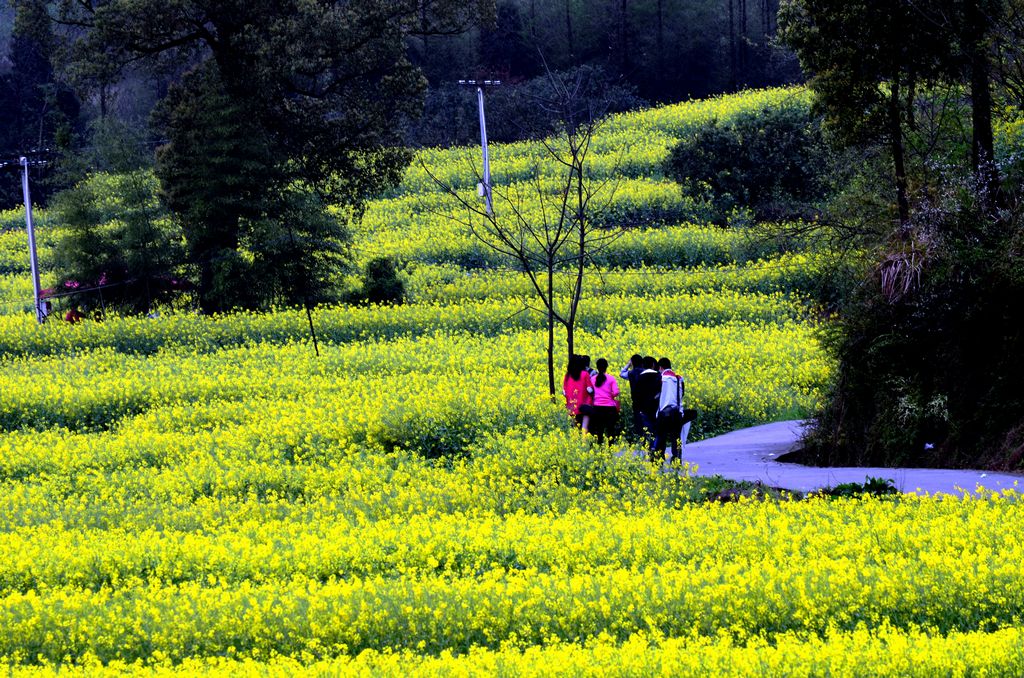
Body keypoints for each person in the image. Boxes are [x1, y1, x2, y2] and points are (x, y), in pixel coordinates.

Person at [653, 357, 685, 463]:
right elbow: (682, 394)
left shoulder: (661, 378)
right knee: (676, 437)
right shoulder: (679, 378)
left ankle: (660, 458)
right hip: (677, 412)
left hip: (664, 412)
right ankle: (677, 458)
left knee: (662, 437)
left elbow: (657, 396)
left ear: (660, 367)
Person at [590, 358, 621, 444]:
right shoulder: (611, 378)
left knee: (599, 429)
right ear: (606, 367)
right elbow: (616, 392)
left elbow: (590, 392)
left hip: (597, 408)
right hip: (610, 409)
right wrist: (609, 395)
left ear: (597, 367)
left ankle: (600, 447)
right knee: (610, 429)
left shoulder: (592, 379)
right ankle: (610, 447)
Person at [634, 356, 661, 451]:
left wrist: (639, 409)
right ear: (653, 365)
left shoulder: (639, 377)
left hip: (644, 409)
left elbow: (637, 395)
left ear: (643, 365)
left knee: (647, 430)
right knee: (657, 430)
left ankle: (649, 447)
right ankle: (655, 447)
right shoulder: (658, 376)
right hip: (657, 408)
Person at [562, 354, 595, 433]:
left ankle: (575, 442)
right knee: (584, 427)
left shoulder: (567, 375)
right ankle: (584, 443)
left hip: (571, 405)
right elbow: (590, 389)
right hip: (584, 405)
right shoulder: (585, 374)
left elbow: (564, 391)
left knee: (574, 428)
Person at [620, 353, 645, 439]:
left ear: (632, 363)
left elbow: (622, 373)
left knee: (638, 420)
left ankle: (640, 437)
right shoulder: (645, 372)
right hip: (646, 400)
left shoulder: (631, 373)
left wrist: (628, 364)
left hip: (636, 400)